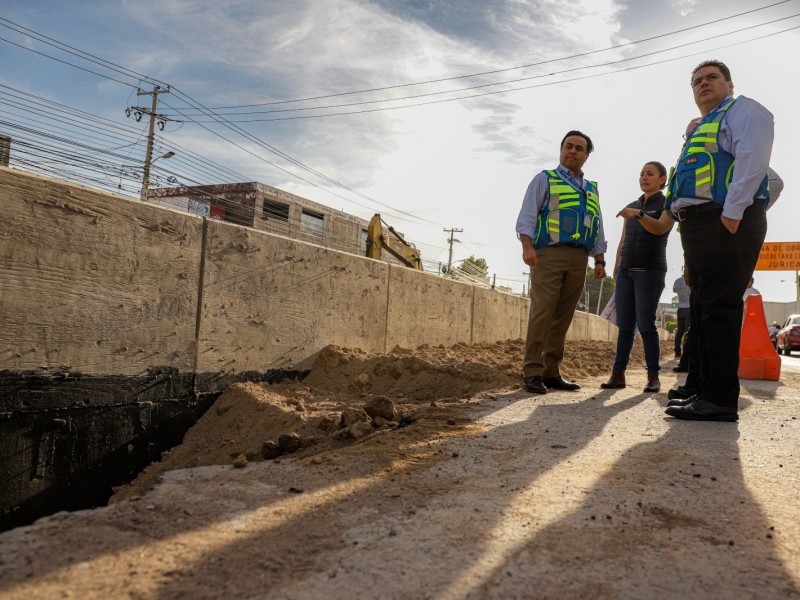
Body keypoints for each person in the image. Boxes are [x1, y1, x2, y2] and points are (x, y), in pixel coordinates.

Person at [663, 60, 773, 422]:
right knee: (703, 312)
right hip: (702, 225)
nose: (703, 84)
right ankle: (703, 389)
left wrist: (736, 210)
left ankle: (720, 399)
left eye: (712, 78)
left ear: (729, 83)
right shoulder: (704, 127)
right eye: (696, 81)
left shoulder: (743, 110)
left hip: (723, 220)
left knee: (719, 311)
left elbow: (753, 159)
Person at [516, 130, 607, 394]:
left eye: (580, 148)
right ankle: (532, 371)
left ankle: (551, 371)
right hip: (548, 254)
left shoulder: (591, 190)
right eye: (569, 146)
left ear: (586, 156)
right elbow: (527, 216)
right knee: (543, 312)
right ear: (561, 150)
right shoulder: (545, 179)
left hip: (580, 257)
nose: (573, 151)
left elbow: (597, 225)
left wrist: (599, 260)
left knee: (563, 316)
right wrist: (527, 247)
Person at [601, 161, 671, 393]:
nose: (644, 177)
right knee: (625, 326)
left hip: (650, 272)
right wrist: (616, 267)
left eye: (650, 174)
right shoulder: (632, 206)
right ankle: (618, 374)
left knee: (647, 325)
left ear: (662, 179)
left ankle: (653, 377)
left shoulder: (668, 204)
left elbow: (660, 228)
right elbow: (624, 240)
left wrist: (639, 214)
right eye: (641, 174)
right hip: (626, 273)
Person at [672, 267, 692, 360]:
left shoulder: (677, 281)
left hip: (680, 308)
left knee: (679, 332)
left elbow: (674, 290)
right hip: (689, 308)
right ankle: (686, 353)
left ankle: (677, 352)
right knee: (687, 332)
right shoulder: (691, 281)